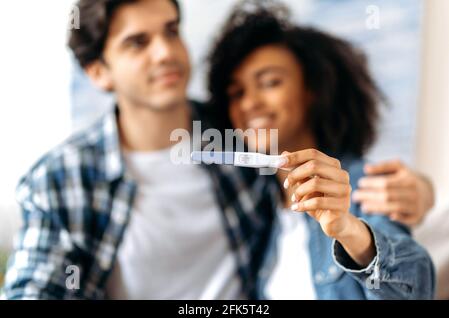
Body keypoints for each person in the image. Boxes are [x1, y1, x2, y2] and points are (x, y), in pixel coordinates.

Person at [1, 0, 279, 299]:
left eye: (171, 32)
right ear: (98, 72)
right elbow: (35, 289)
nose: (166, 53)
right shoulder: (60, 179)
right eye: (137, 43)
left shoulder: (242, 135)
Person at [207, 0, 435, 299]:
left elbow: (415, 287)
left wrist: (348, 230)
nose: (249, 103)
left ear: (312, 90)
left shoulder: (363, 185)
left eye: (270, 82)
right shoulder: (260, 203)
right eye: (237, 93)